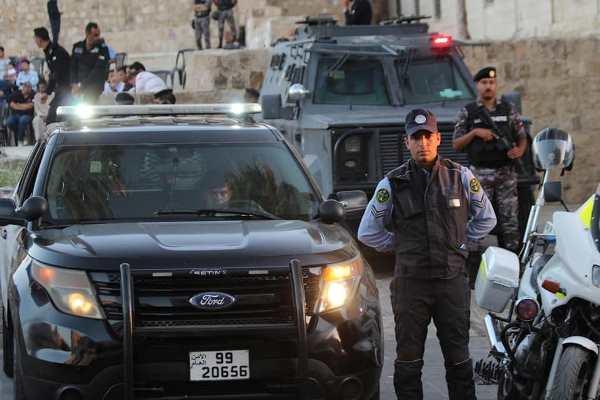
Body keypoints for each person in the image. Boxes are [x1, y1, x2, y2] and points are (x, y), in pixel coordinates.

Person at [358, 109, 496, 400]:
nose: (423, 143)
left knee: (459, 361)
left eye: (427, 136)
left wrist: (460, 242)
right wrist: (399, 245)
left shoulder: (461, 176)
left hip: (451, 283)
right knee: (408, 363)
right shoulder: (392, 184)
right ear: (406, 142)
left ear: (438, 139)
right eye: (416, 138)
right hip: (411, 286)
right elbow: (367, 232)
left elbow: (487, 218)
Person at [452, 67, 528, 281]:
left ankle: (512, 270)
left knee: (510, 221)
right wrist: (475, 133)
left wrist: (519, 150)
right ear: (478, 85)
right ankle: (473, 272)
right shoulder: (468, 112)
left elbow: (522, 136)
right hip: (479, 174)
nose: (488, 86)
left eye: (491, 83)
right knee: (477, 219)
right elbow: (456, 143)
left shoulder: (508, 109)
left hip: (506, 173)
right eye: (484, 82)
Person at [34, 26, 71, 123]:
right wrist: (48, 92)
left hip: (67, 91)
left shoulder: (56, 51)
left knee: (55, 118)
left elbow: (57, 74)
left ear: (39, 39)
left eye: (35, 38)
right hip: (61, 90)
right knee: (52, 118)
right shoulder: (49, 52)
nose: (35, 41)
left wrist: (47, 92)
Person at [71, 22, 110, 104]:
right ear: (87, 34)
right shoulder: (77, 47)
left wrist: (81, 85)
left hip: (93, 88)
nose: (98, 37)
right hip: (79, 88)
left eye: (99, 35)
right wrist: (74, 83)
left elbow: (97, 70)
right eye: (95, 35)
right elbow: (73, 66)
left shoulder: (102, 49)